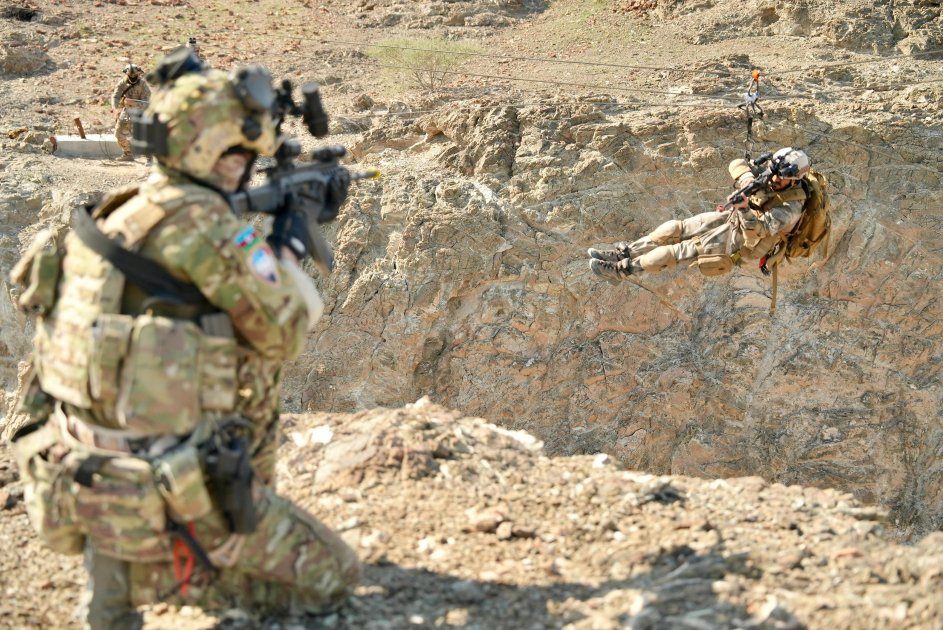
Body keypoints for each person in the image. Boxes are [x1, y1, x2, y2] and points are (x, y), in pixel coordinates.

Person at [12, 50, 360, 629]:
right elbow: (284, 333)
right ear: (215, 152)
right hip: (177, 480)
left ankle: (118, 582)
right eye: (240, 154)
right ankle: (197, 563)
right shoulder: (211, 231)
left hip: (73, 462)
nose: (245, 166)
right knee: (336, 576)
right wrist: (289, 245)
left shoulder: (114, 211)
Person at [588, 147, 815, 282]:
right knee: (674, 229)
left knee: (673, 252)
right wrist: (747, 180)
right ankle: (622, 254)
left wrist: (744, 208)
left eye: (780, 178)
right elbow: (737, 164)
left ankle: (620, 271)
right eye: (773, 174)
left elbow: (758, 231)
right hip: (734, 218)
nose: (774, 179)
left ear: (794, 180)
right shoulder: (773, 177)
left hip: (745, 242)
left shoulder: (791, 207)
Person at [110, 63, 151, 162]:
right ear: (126, 73)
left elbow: (147, 103)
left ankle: (149, 157)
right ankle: (127, 154)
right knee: (118, 134)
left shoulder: (143, 85)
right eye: (130, 74)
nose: (132, 76)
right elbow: (115, 97)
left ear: (139, 74)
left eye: (135, 74)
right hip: (126, 112)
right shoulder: (122, 83)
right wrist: (115, 109)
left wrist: (135, 103)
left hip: (141, 113)